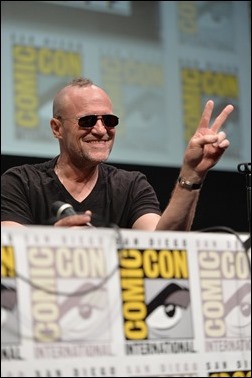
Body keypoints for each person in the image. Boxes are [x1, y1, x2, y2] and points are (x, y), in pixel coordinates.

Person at [1, 77, 234, 230]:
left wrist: (192, 173)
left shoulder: (131, 186)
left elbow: (164, 244)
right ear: (57, 128)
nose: (101, 130)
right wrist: (55, 243)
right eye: (88, 121)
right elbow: (8, 252)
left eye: (109, 121)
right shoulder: (21, 183)